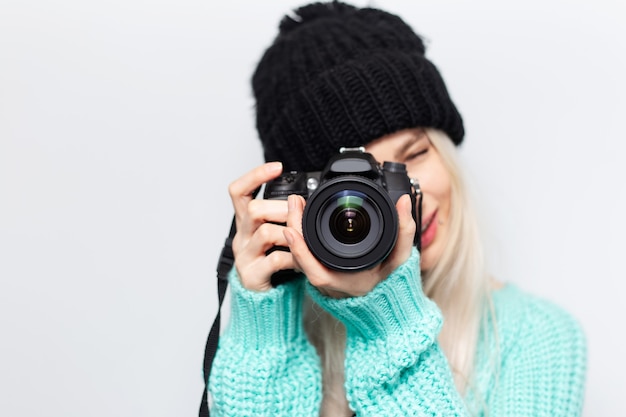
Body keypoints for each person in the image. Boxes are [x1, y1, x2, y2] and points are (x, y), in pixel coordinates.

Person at [207, 1, 587, 416]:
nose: (402, 204)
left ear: (446, 152)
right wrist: (262, 328)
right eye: (356, 185)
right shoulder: (277, 331)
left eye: (415, 155)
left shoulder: (537, 335)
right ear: (300, 201)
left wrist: (386, 323)